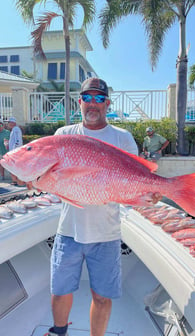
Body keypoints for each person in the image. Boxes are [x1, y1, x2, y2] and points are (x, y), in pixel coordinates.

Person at [45, 77, 139, 336]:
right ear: (80, 102)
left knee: (101, 297)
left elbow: (136, 179)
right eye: (88, 98)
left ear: (107, 103)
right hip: (68, 231)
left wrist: (147, 193)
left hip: (106, 235)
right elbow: (52, 177)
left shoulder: (123, 138)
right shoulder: (64, 135)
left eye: (99, 98)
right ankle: (58, 331)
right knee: (60, 291)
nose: (93, 104)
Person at [8, 117, 24, 185]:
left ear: (13, 123)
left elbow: (17, 141)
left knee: (13, 167)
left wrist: (14, 151)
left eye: (9, 122)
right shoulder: (14, 129)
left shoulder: (16, 129)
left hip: (15, 153)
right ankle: (15, 180)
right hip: (14, 152)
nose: (8, 124)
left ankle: (16, 181)